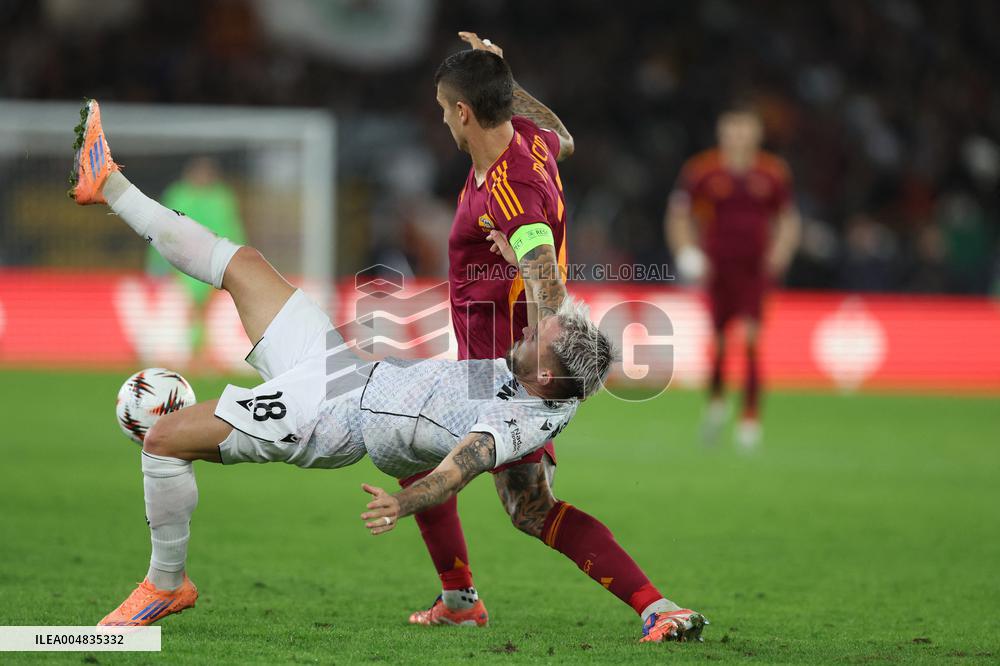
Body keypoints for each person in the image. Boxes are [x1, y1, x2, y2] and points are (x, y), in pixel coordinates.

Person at [68, 100, 706, 642]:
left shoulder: (514, 416)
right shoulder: (555, 362)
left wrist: (403, 503)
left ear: (544, 377)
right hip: (345, 368)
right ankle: (111, 184)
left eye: (539, 335)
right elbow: (558, 142)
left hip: (329, 415)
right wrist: (506, 88)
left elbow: (460, 466)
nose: (532, 326)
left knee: (163, 438)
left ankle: (165, 585)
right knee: (243, 264)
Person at [400, 32, 697, 643]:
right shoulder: (529, 142)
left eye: (442, 109)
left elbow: (550, 293)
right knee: (414, 454)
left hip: (508, 372)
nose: (442, 121)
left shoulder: (510, 193)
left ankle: (657, 607)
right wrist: (510, 85)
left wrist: (533, 384)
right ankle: (459, 598)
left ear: (461, 112)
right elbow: (563, 138)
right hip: (488, 363)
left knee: (530, 508)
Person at [666, 101, 801, 449]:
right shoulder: (703, 170)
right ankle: (716, 404)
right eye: (732, 127)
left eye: (745, 128)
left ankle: (751, 418)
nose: (738, 135)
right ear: (722, 131)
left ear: (757, 132)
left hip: (754, 269)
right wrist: (686, 252)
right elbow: (679, 215)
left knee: (753, 340)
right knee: (721, 341)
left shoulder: (771, 172)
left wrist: (781, 251)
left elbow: (787, 217)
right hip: (718, 267)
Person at [146, 157, 246, 359]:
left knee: (201, 311)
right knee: (190, 309)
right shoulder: (179, 194)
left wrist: (237, 256)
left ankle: (197, 351)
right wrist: (157, 262)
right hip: (181, 262)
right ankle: (190, 351)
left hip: (212, 261)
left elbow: (232, 227)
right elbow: (163, 228)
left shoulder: (221, 197)